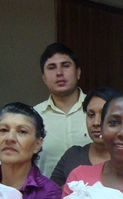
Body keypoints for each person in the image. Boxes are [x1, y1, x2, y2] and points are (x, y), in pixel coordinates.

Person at [34, 42, 90, 177]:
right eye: (52, 67)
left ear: (78, 72)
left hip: (98, 195)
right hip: (48, 196)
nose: (59, 73)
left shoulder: (98, 110)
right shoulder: (33, 117)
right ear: (44, 78)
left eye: (65, 66)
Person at [50, 86, 116, 186]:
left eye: (103, 114)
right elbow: (50, 195)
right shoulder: (73, 156)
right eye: (91, 115)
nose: (96, 122)